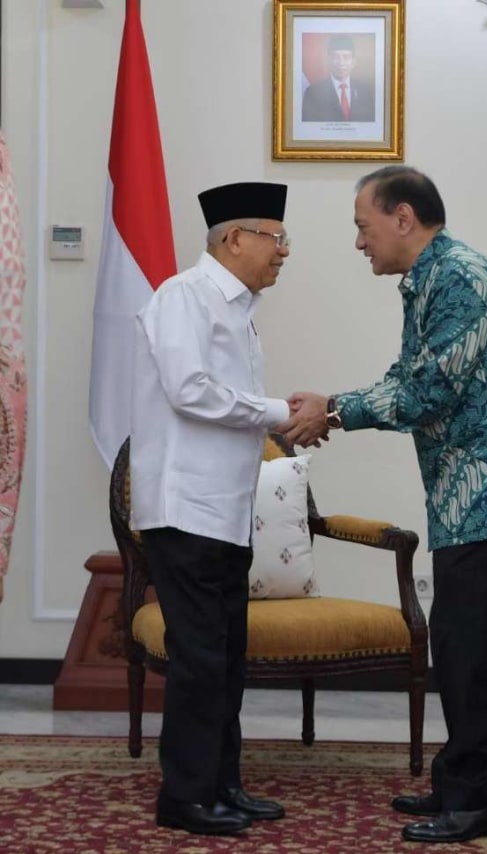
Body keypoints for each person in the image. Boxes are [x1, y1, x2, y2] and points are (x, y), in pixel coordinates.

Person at [279, 166, 487, 845]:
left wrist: (334, 410)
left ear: (403, 217)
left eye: (363, 226)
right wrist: (335, 406)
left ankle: (481, 801)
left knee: (467, 648)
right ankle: (460, 779)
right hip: (472, 491)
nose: (359, 242)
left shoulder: (458, 279)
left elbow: (426, 393)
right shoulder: (431, 279)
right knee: (464, 640)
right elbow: (407, 376)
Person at [129, 182, 293, 837]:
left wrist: (277, 416)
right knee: (199, 658)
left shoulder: (239, 310)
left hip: (225, 512)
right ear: (234, 238)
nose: (284, 252)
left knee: (225, 656)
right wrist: (280, 413)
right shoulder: (184, 296)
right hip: (186, 510)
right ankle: (186, 797)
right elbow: (190, 390)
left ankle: (223, 784)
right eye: (276, 238)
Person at [302, 34, 375, 123]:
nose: (341, 63)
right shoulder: (313, 92)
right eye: (335, 57)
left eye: (346, 57)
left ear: (354, 62)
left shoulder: (365, 91)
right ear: (328, 61)